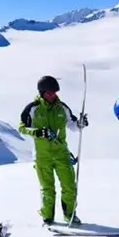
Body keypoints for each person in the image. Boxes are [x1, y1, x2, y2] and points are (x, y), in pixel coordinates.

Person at [18, 75, 88, 225]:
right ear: (42, 93)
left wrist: (81, 124)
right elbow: (22, 128)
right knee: (47, 188)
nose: (53, 96)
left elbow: (73, 125)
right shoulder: (33, 108)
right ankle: (48, 217)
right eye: (50, 93)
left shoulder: (62, 108)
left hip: (61, 153)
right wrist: (36, 132)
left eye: (55, 92)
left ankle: (70, 215)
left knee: (69, 186)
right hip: (42, 156)